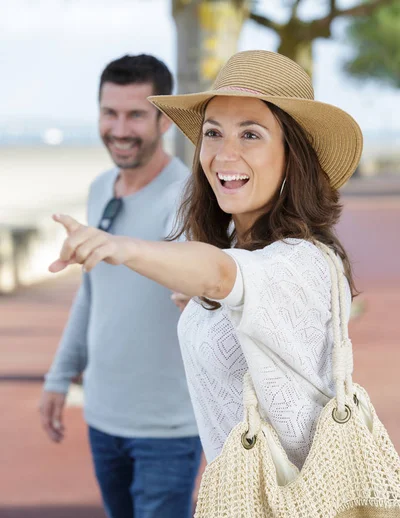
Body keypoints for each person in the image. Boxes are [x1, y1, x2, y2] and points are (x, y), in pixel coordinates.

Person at [47, 49, 362, 481]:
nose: (223, 153)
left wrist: (118, 247)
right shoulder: (241, 246)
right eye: (213, 134)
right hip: (234, 503)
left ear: (293, 154)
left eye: (250, 135)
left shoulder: (300, 260)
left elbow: (217, 271)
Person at [39, 54, 201, 518]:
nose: (120, 129)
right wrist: (60, 375)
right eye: (110, 113)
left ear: (164, 122)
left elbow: (207, 299)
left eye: (136, 115)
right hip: (105, 418)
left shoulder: (191, 200)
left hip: (168, 430)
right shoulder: (98, 190)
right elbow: (92, 291)